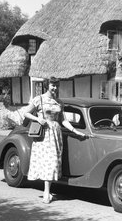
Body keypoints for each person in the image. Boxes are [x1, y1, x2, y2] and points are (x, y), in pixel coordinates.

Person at [23, 76, 86, 204]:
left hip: (56, 134)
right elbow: (26, 113)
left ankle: (47, 190)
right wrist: (37, 119)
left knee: (52, 162)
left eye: (57, 85)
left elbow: (63, 120)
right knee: (46, 162)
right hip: (43, 135)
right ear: (47, 85)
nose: (55, 88)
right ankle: (46, 192)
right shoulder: (39, 99)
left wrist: (75, 131)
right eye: (52, 85)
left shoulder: (59, 102)